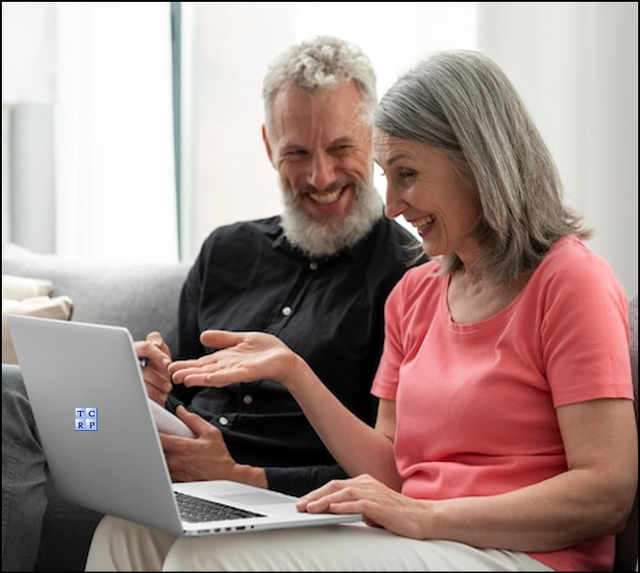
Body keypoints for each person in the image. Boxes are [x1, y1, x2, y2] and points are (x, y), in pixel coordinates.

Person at [85, 49, 637, 572]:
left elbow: (606, 493)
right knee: (127, 532)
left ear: (477, 160)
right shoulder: (416, 293)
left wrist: (425, 517)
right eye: (387, 178)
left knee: (203, 559)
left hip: (519, 554)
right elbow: (395, 468)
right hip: (422, 537)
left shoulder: (569, 281)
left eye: (408, 174)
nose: (393, 205)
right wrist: (291, 368)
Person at [1, 35, 427, 571]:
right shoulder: (227, 250)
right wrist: (152, 383)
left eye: (341, 148)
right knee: (17, 395)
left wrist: (240, 475)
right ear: (269, 144)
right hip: (162, 479)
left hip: (275, 500)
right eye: (297, 152)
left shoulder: (411, 278)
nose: (320, 176)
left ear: (372, 138)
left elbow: (391, 468)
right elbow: (180, 389)